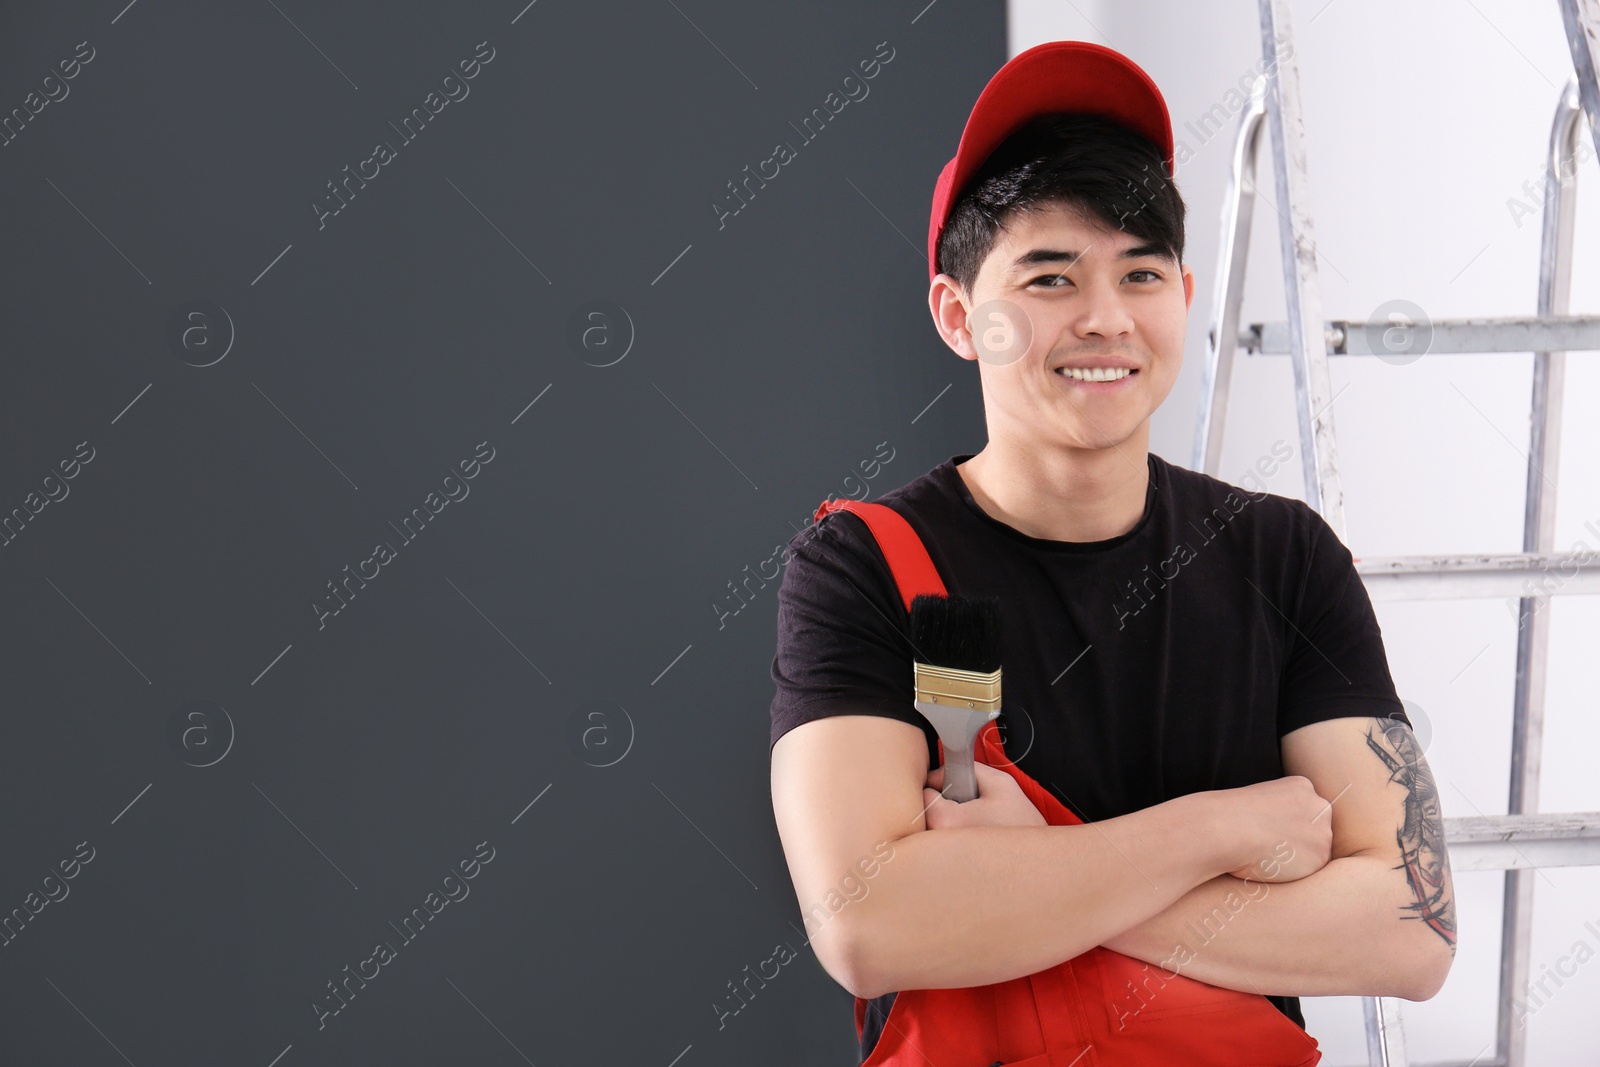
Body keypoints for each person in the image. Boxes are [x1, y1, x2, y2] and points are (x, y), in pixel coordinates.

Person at [767, 40, 1456, 1065]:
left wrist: (1033, 866)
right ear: (960, 316)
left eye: (1139, 272)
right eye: (1049, 276)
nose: (1103, 317)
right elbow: (867, 925)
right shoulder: (863, 565)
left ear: (1180, 296)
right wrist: (1221, 831)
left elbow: (1410, 927)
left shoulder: (1282, 556)